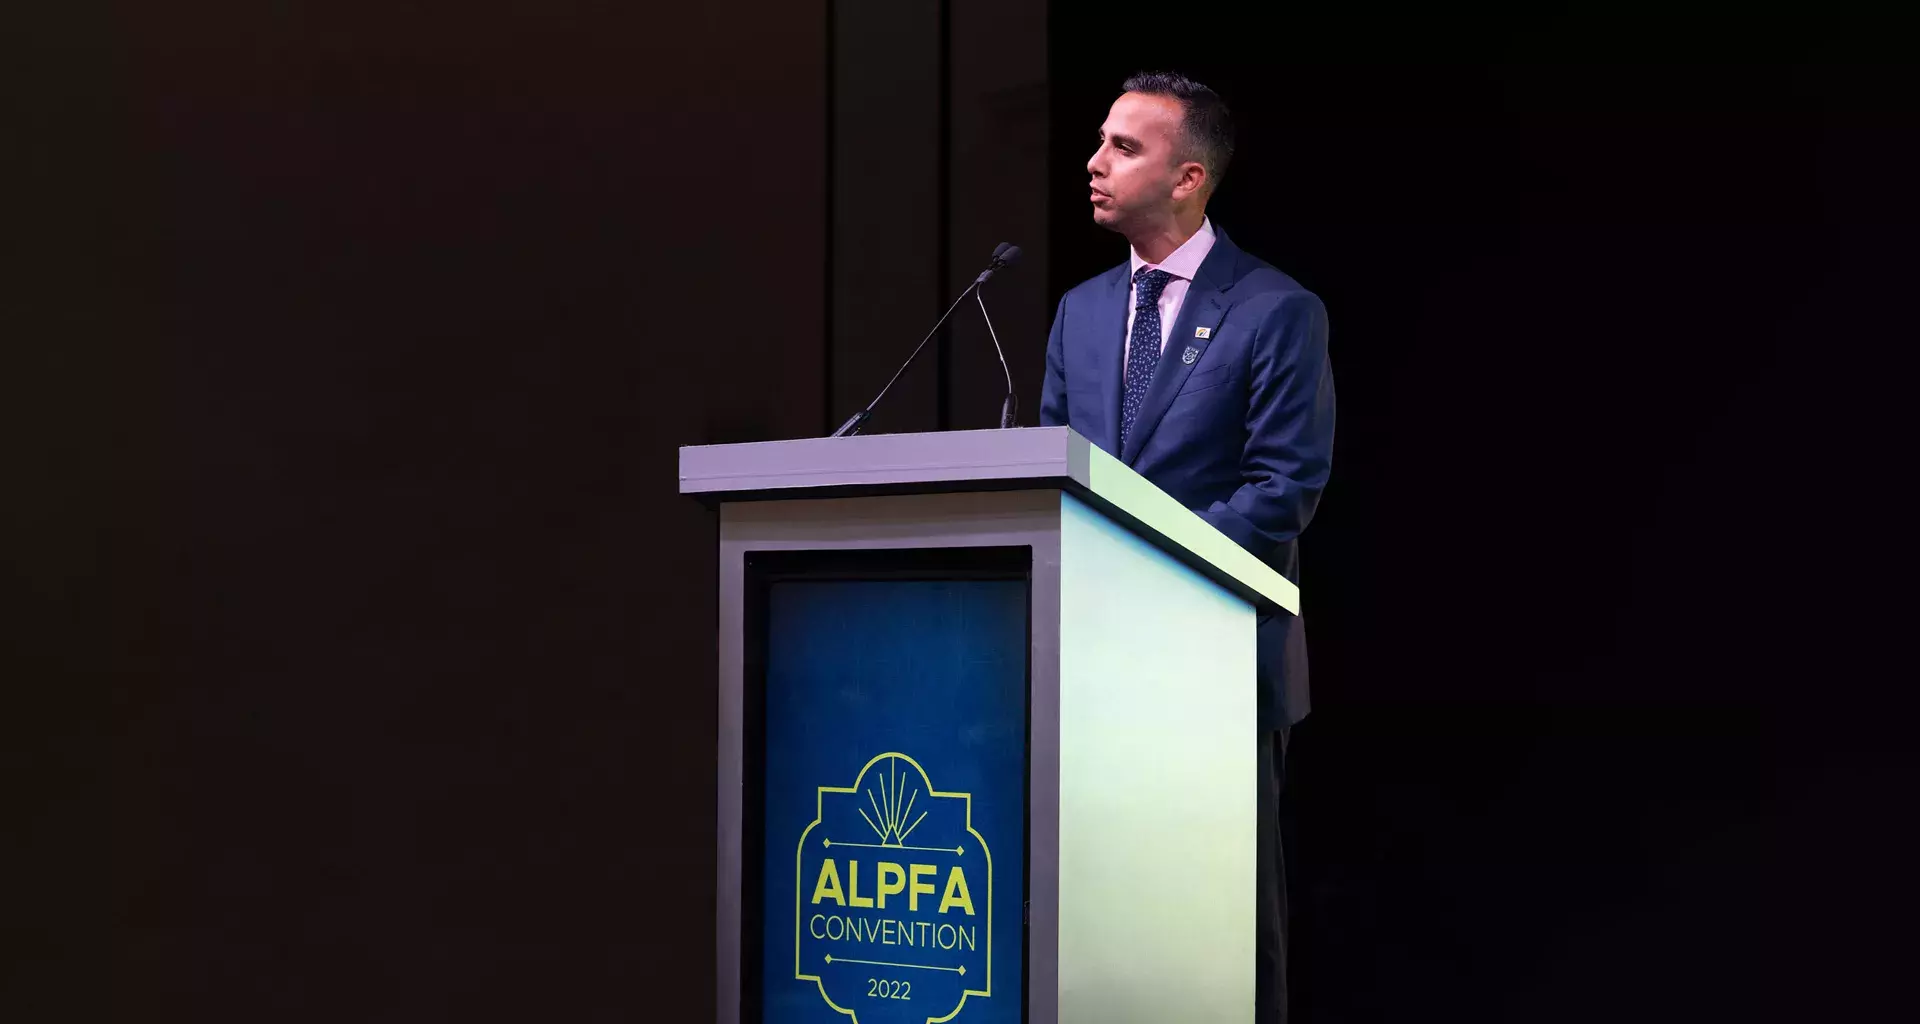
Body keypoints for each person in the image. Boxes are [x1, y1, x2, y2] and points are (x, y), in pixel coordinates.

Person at [1038, 70, 1335, 1022]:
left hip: (1215, 665)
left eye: (1126, 147)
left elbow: (1283, 487)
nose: (1095, 162)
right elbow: (1054, 474)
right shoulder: (1080, 312)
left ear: (1189, 177)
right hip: (1090, 670)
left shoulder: (1275, 309)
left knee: (1227, 931)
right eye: (1099, 141)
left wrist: (1144, 571)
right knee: (1096, 926)